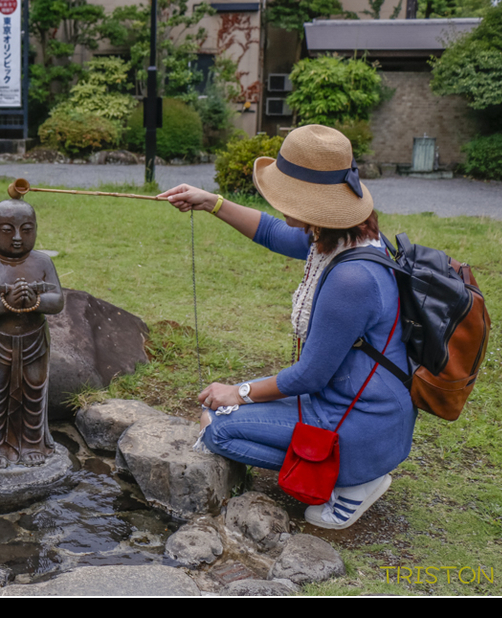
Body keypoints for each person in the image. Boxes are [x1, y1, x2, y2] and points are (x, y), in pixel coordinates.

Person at [158, 124, 416, 529]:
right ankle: (352, 466)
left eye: (288, 195)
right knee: (217, 410)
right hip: (350, 400)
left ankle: (353, 480)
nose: (279, 203)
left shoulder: (352, 280)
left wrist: (239, 391)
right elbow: (273, 232)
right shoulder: (345, 238)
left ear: (318, 203)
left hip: (359, 421)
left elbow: (309, 375)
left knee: (217, 429)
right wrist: (212, 203)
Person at [0, 199, 64, 469]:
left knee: (34, 394)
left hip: (34, 342)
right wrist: (6, 302)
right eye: (8, 230)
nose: (18, 238)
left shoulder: (42, 262)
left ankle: (31, 443)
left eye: (27, 229)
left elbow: (57, 301)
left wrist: (34, 300)